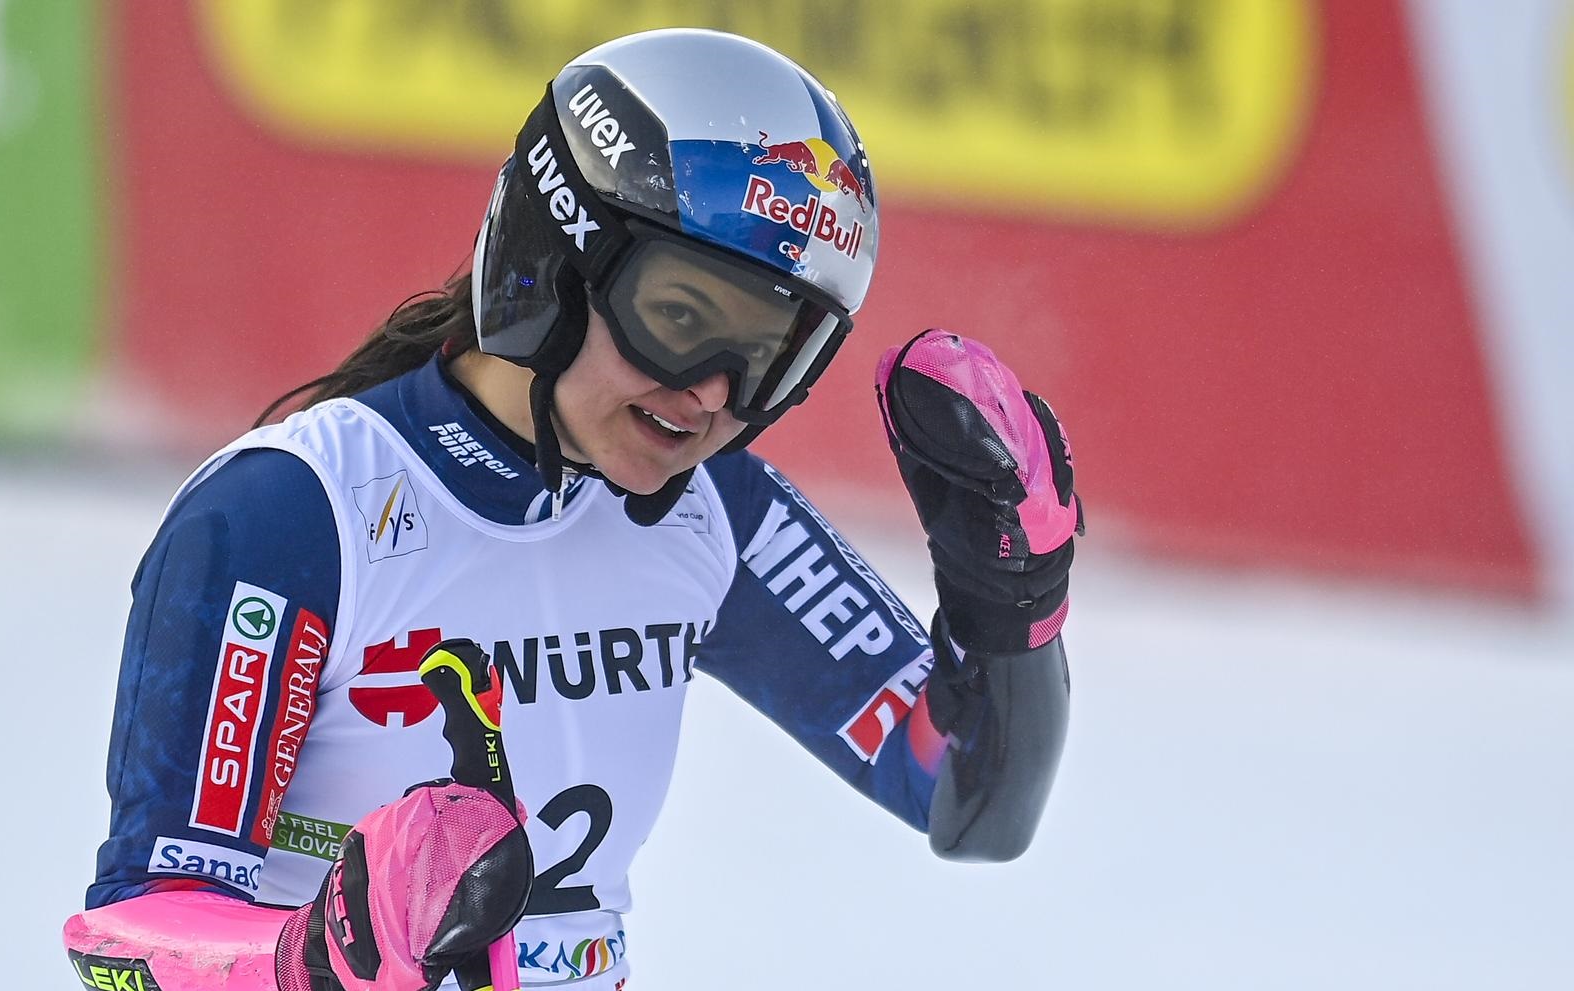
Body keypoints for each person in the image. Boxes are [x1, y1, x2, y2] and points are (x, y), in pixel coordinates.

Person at [62, 27, 1082, 991]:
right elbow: (131, 935)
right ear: (549, 263)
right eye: (680, 319)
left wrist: (1013, 611)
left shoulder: (713, 509)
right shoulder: (292, 511)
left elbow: (968, 799)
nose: (714, 393)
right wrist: (310, 957)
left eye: (769, 353)